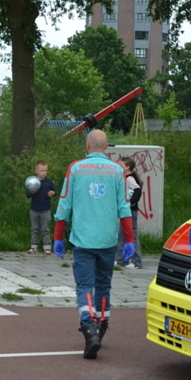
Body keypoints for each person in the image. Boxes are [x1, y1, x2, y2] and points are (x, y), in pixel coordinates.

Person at [53, 129, 134, 359]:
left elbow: (64, 205)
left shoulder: (76, 168)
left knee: (85, 286)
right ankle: (102, 326)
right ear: (106, 147)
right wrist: (129, 240)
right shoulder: (118, 171)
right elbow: (124, 208)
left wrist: (58, 237)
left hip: (83, 239)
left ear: (87, 146)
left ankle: (90, 330)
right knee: (104, 285)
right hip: (108, 239)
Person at [115, 157, 144, 269]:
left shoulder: (129, 178)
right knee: (123, 235)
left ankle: (137, 263)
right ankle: (122, 260)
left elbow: (137, 191)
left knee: (131, 236)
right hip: (128, 210)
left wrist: (131, 203)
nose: (118, 166)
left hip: (130, 211)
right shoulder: (126, 178)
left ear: (127, 167)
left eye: (121, 165)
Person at [26, 160, 56, 254]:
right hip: (34, 209)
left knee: (45, 229)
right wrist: (31, 192)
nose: (44, 173)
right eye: (42, 171)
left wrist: (52, 193)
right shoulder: (33, 182)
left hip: (45, 210)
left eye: (45, 171)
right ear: (36, 171)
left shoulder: (48, 182)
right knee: (35, 229)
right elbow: (28, 195)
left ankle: (47, 247)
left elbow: (55, 191)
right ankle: (33, 246)